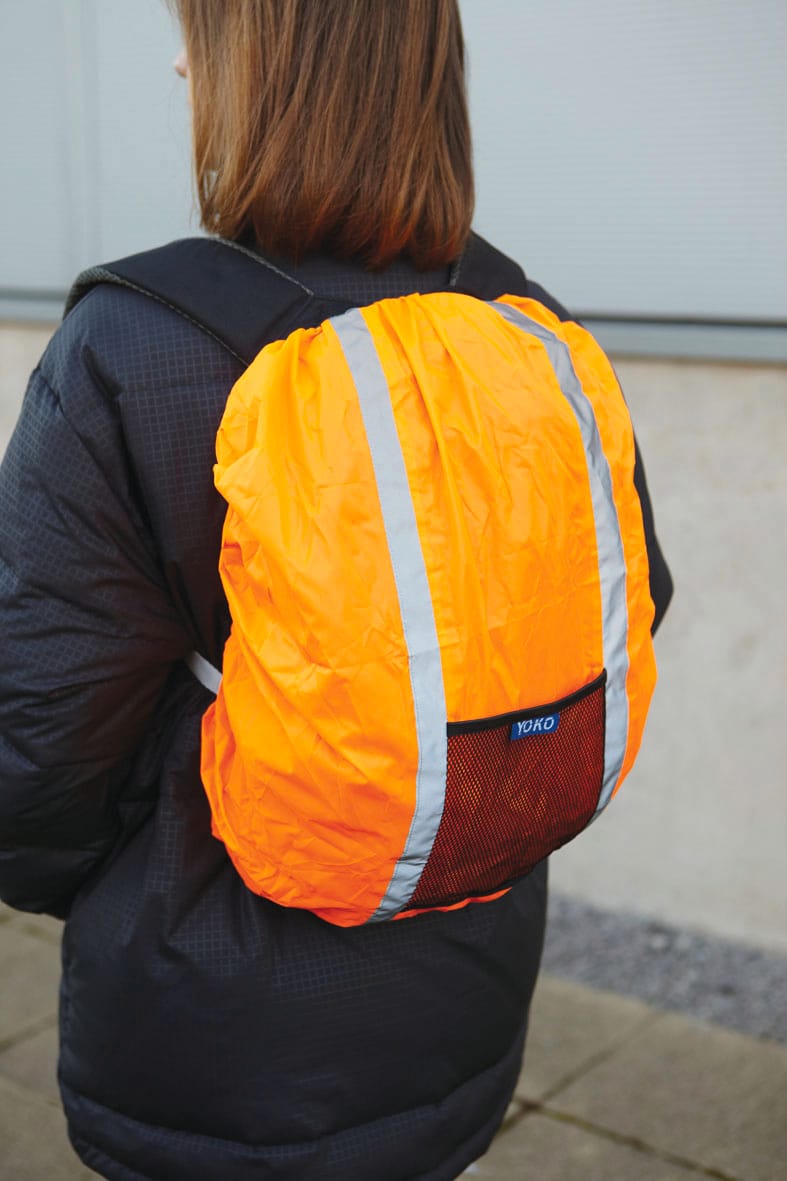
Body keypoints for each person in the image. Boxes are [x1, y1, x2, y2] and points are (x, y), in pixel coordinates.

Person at [0, 2, 673, 1179]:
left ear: (253, 72)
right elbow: (632, 599)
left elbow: (37, 736)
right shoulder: (525, 320)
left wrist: (110, 884)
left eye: (195, 33)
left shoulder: (137, 346)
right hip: (468, 960)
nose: (175, 60)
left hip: (208, 1014)